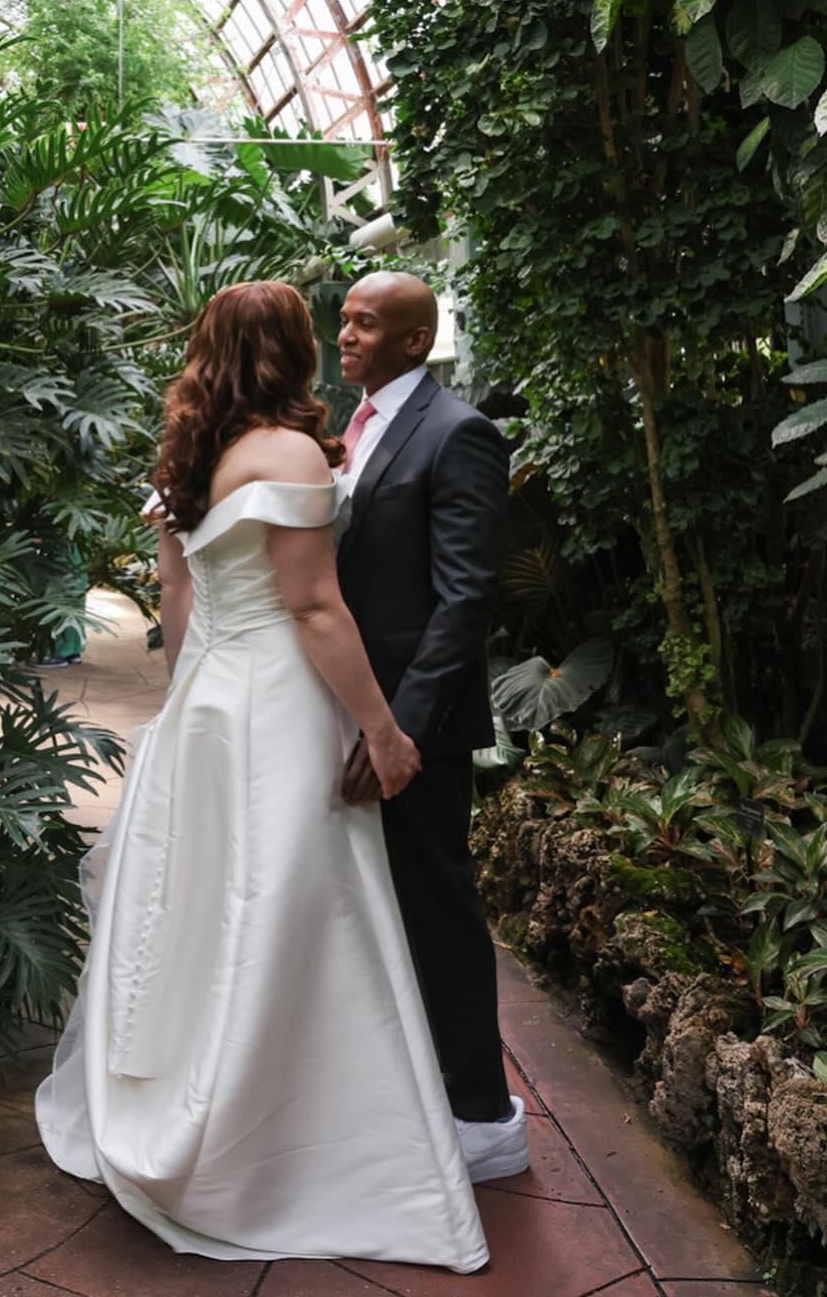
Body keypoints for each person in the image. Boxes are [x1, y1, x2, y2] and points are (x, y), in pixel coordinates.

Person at [36, 280, 489, 1271]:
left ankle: (196, 1094)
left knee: (208, 904)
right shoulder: (288, 452)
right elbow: (315, 608)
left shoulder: (193, 454)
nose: (338, 337)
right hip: (277, 699)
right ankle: (275, 1132)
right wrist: (383, 731)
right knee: (292, 904)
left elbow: (177, 598)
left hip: (208, 700)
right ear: (292, 349)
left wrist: (188, 701)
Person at [335, 272, 527, 1181]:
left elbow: (464, 599)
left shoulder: (459, 433)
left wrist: (400, 732)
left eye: (367, 324)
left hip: (419, 728)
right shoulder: (355, 426)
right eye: (344, 321)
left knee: (439, 913)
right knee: (376, 915)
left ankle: (485, 1118)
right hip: (353, 713)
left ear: (417, 340)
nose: (346, 335)